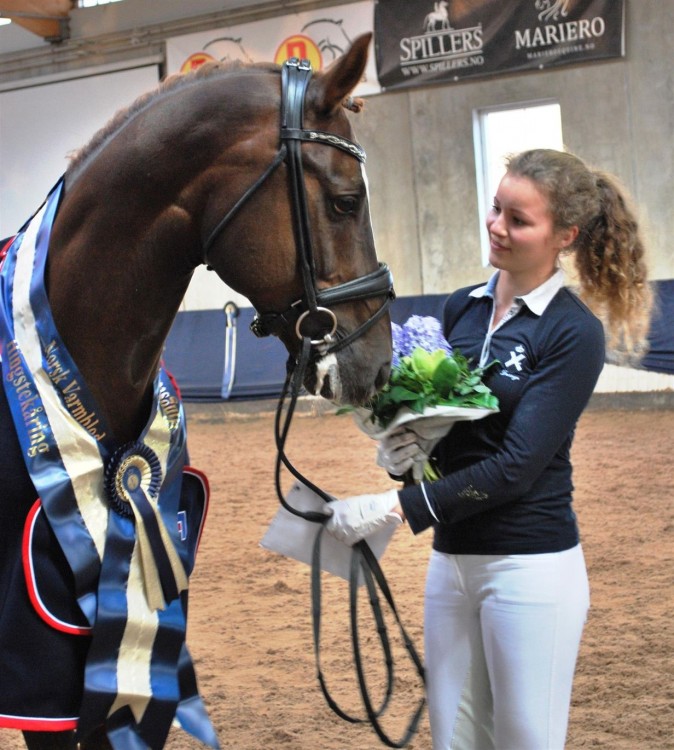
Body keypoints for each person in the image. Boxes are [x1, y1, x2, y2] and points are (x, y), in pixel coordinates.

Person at [324, 148, 653, 749]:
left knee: (525, 740)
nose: (497, 226)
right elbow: (455, 437)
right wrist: (408, 452)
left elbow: (517, 467)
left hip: (528, 569)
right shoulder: (462, 308)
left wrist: (399, 508)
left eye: (519, 219)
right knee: (456, 740)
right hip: (451, 565)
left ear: (565, 236)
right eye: (496, 208)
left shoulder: (572, 332)